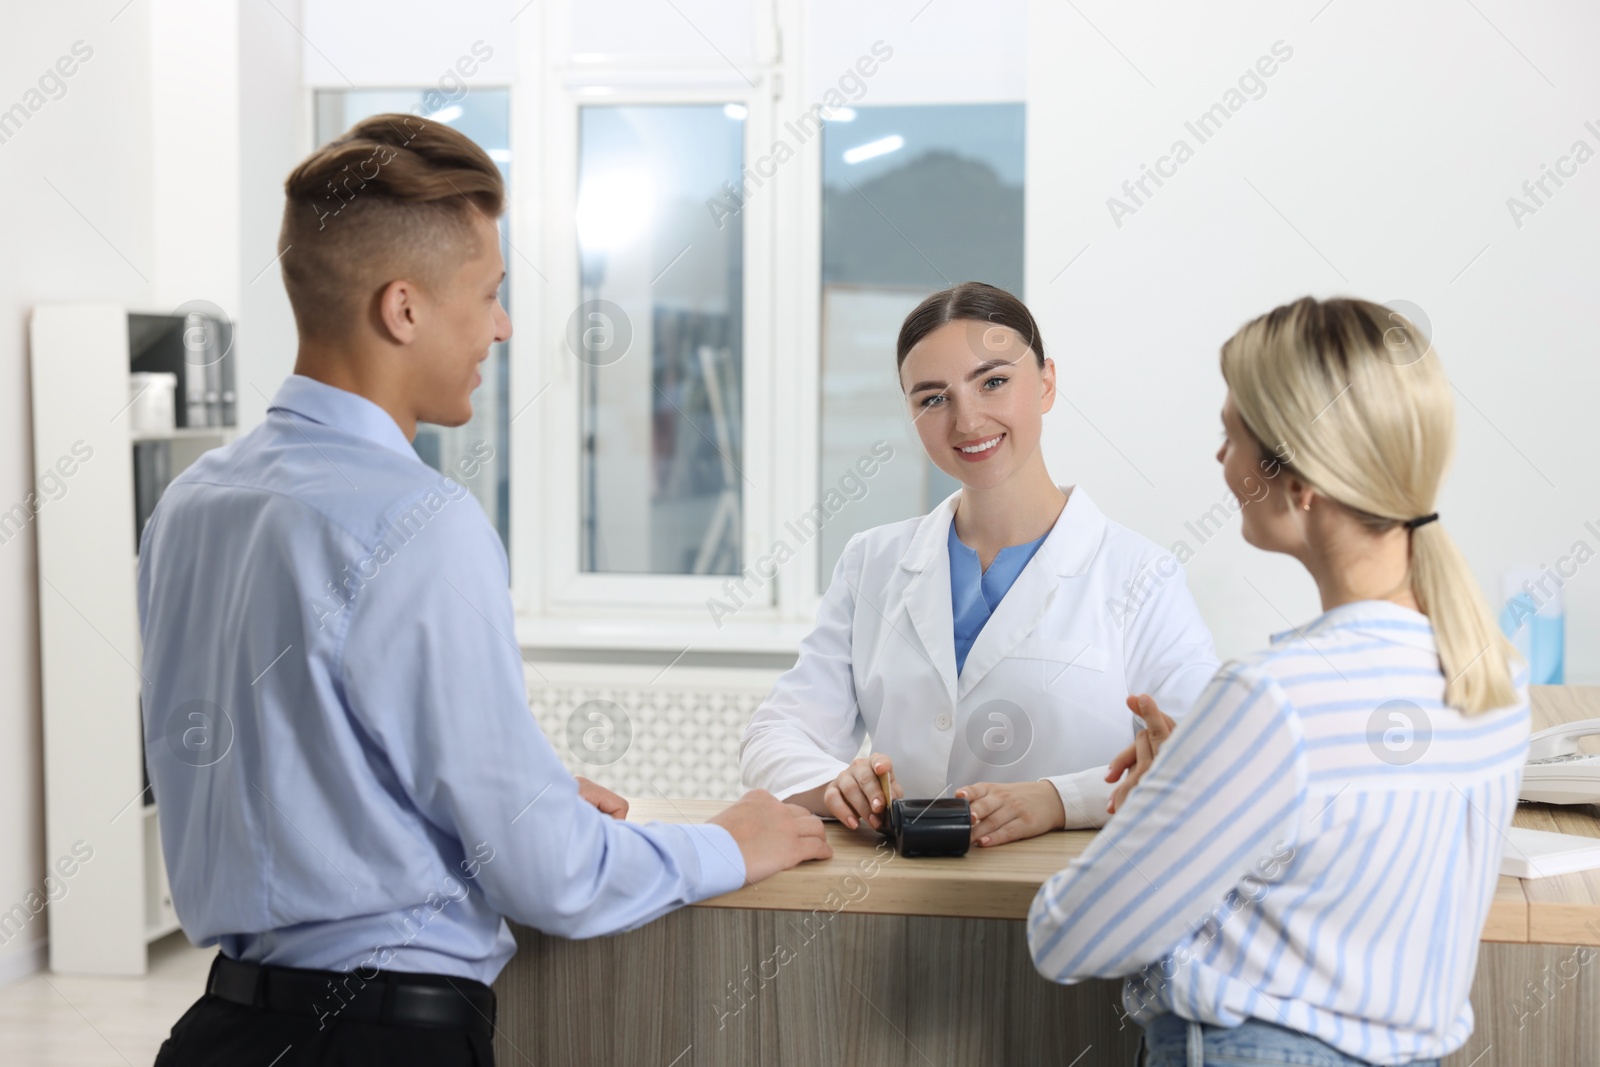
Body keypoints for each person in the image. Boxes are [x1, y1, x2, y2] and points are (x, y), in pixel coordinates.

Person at [139, 114, 830, 1067]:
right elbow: (551, 875)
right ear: (404, 308)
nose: (502, 325)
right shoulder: (419, 518)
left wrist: (519, 796)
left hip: (218, 1032)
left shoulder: (192, 502)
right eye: (491, 294)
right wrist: (730, 841)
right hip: (380, 1042)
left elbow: (298, 762)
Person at [1028, 296, 1529, 1066]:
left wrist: (1160, 805)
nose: (1220, 461)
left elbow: (1070, 934)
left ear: (1301, 482)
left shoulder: (1273, 700)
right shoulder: (1493, 677)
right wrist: (1202, 782)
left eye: (1231, 436)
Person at [740, 282, 1220, 847]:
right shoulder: (871, 563)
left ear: (1046, 383)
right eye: (932, 398)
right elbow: (775, 734)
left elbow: (1201, 752)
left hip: (1062, 897)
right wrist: (831, 786)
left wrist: (1059, 800)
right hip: (902, 897)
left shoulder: (1141, 574)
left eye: (993, 382)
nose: (967, 422)